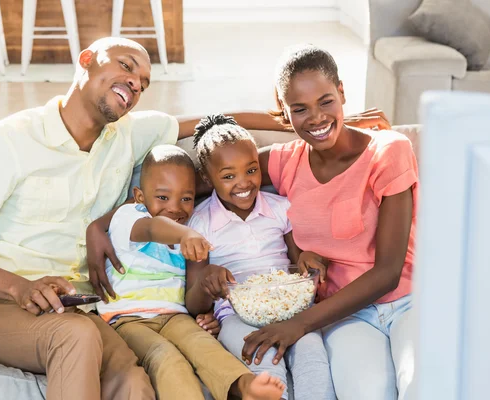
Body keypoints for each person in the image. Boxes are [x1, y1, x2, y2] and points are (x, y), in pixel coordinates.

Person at [0, 37, 180, 400]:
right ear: (87, 59)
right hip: (0, 306)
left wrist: (286, 127)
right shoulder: (9, 139)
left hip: (79, 309)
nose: (136, 83)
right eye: (125, 66)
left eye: (144, 82)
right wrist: (21, 287)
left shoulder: (127, 136)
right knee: (75, 335)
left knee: (133, 382)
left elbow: (212, 134)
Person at [230, 44, 415, 400]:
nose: (315, 118)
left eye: (326, 101)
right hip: (346, 317)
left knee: (423, 384)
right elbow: (214, 161)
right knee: (365, 394)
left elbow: (388, 271)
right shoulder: (285, 162)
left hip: (408, 301)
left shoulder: (389, 150)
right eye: (299, 109)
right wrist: (112, 218)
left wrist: (297, 324)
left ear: (342, 93)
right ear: (284, 111)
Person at [97, 144, 285, 400]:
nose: (175, 208)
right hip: (127, 319)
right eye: (163, 197)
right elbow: (153, 229)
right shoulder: (128, 217)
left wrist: (207, 305)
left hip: (175, 316)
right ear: (140, 196)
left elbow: (193, 293)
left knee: (204, 347)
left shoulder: (193, 227)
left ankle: (243, 387)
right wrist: (185, 234)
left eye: (186, 198)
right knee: (167, 359)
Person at [184, 114, 336, 400]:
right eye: (228, 176)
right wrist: (206, 281)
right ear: (207, 178)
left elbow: (297, 261)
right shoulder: (200, 225)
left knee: (312, 355)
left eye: (251, 170)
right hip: (236, 316)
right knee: (263, 362)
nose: (243, 183)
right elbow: (193, 303)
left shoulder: (281, 208)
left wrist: (307, 259)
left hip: (291, 309)